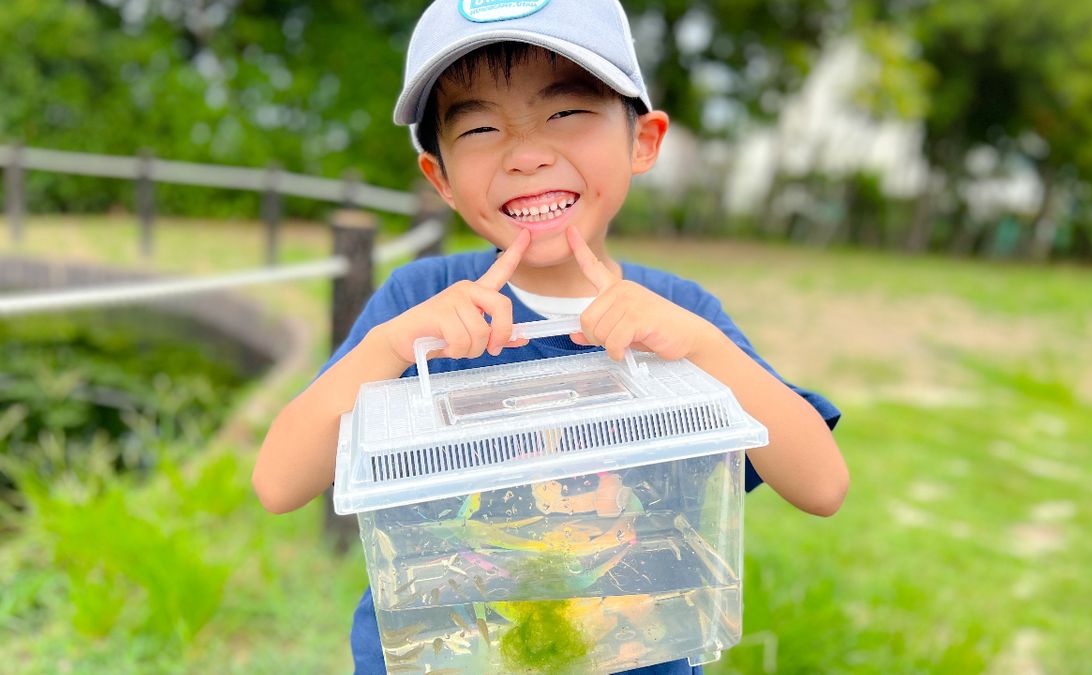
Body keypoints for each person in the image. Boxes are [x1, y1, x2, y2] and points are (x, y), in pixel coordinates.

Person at [252, 1, 849, 673]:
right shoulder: (416, 305)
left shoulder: (681, 317)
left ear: (644, 141)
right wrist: (388, 349)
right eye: (480, 127)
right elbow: (278, 483)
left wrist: (704, 347)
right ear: (440, 178)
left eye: (565, 113)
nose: (527, 156)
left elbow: (822, 486)